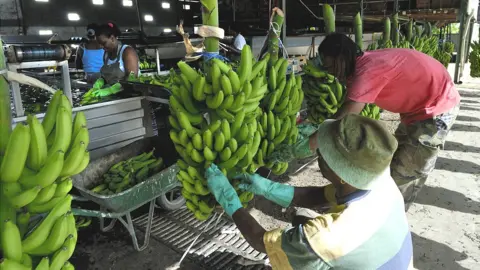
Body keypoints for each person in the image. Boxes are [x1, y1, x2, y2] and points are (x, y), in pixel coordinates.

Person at [206, 115, 413, 269]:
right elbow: (318, 197)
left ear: (339, 171)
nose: (317, 153)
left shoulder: (325, 238)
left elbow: (261, 241)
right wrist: (268, 188)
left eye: (322, 153)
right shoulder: (381, 185)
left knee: (297, 246)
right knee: (303, 220)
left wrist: (229, 201)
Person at [317, 33, 461, 210]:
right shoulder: (362, 65)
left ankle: (388, 218)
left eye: (331, 66)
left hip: (436, 108)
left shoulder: (368, 70)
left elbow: (347, 114)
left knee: (406, 173)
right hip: (416, 111)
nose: (330, 73)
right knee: (388, 162)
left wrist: (316, 140)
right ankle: (369, 210)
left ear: (342, 58)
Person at [92, 22, 139, 97]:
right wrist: (101, 81)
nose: (101, 47)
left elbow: (132, 79)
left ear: (112, 38)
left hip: (130, 96)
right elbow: (108, 75)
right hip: (115, 97)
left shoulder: (127, 52)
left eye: (103, 43)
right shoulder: (106, 54)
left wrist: (111, 90)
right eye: (99, 44)